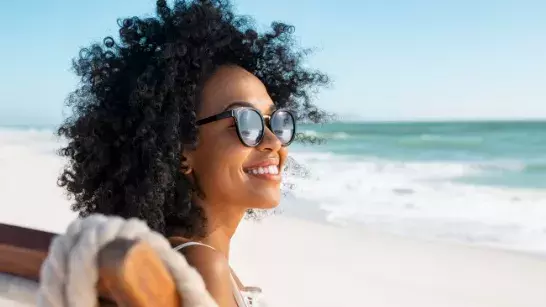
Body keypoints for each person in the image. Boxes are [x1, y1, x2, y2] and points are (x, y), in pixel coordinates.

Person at [56, 0, 328, 306]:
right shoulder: (203, 265)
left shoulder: (189, 259)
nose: (273, 141)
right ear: (182, 150)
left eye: (276, 122)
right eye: (245, 122)